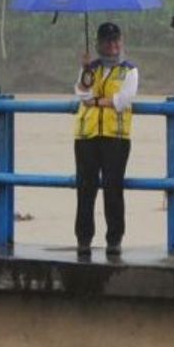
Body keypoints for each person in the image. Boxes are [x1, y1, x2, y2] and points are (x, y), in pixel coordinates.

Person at [73, 22, 138, 259]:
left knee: (113, 189)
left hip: (116, 137)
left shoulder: (129, 70)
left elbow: (123, 100)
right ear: (98, 43)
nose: (112, 45)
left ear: (121, 42)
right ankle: (83, 238)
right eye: (107, 41)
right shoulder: (90, 68)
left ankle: (114, 239)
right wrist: (86, 71)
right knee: (85, 188)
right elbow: (82, 94)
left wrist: (98, 101)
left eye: (115, 40)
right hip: (86, 135)